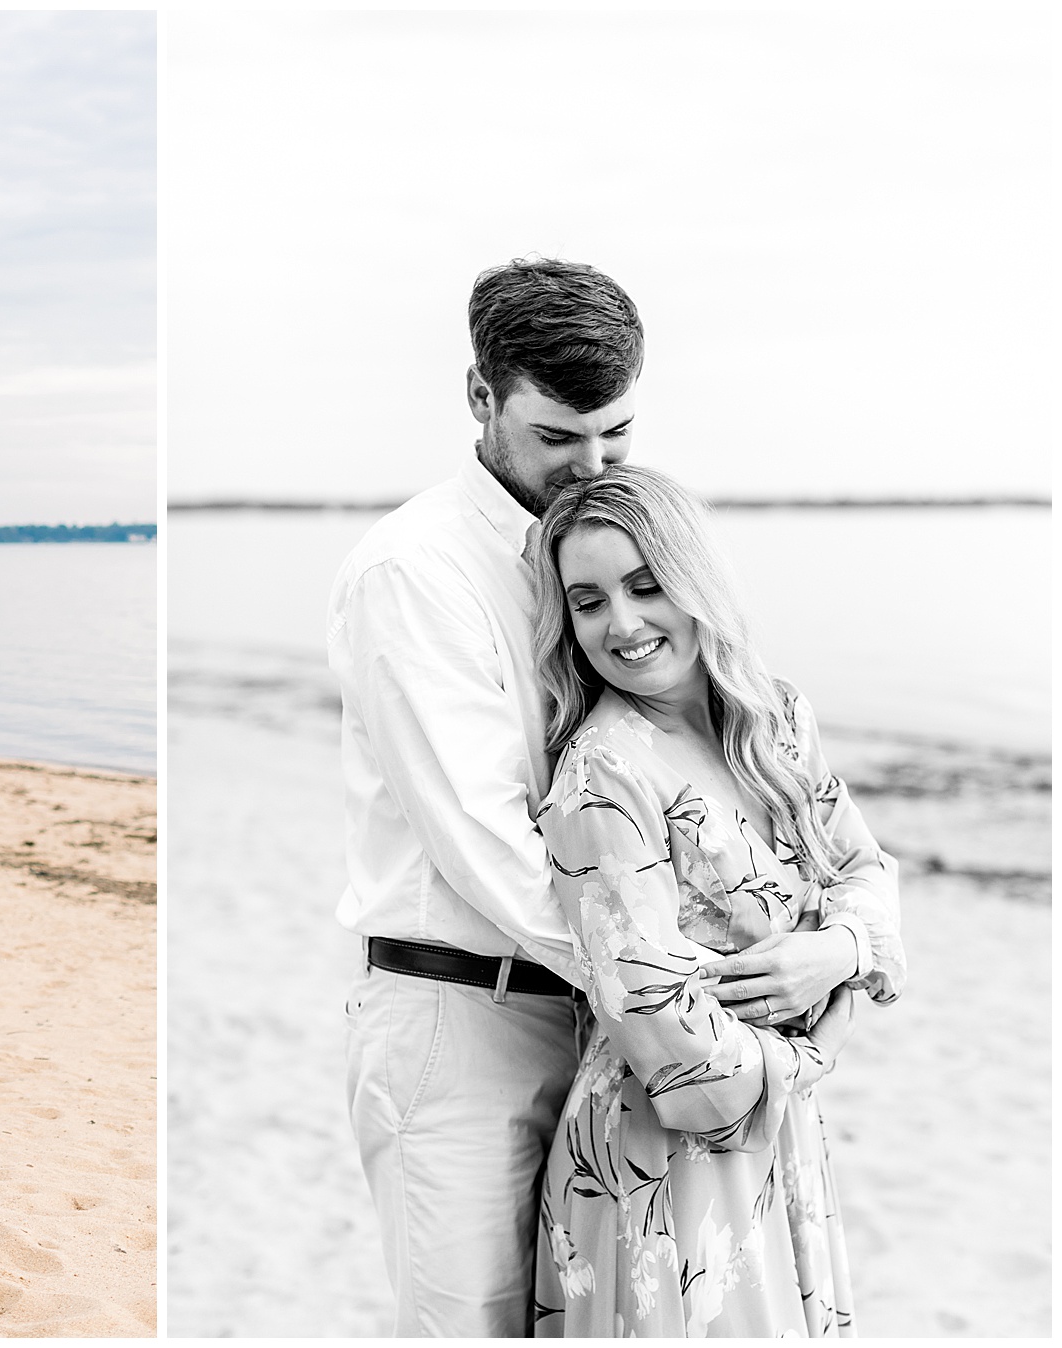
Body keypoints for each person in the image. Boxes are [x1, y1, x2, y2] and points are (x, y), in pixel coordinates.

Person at [328, 258, 872, 1336]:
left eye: (614, 434)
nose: (589, 464)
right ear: (481, 398)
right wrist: (693, 995)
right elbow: (489, 841)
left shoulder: (607, 545)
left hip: (608, 1025)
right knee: (476, 1325)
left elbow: (784, 816)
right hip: (466, 1017)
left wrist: (837, 947)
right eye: (558, 437)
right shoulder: (415, 571)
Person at [528, 464, 904, 1335]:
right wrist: (817, 1051)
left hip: (782, 1140)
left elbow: (867, 869)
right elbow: (656, 1018)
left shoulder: (776, 721)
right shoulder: (603, 774)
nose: (621, 624)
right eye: (588, 601)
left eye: (646, 585)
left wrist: (838, 953)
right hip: (666, 1156)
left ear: (696, 578)